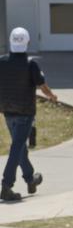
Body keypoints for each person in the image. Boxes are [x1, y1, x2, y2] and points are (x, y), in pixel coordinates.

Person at [1, 27, 56, 203]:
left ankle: (30, 178)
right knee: (17, 147)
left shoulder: (2, 61)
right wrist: (52, 96)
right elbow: (41, 85)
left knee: (20, 147)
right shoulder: (31, 64)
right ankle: (6, 185)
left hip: (8, 111)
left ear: (11, 42)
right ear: (28, 42)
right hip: (25, 113)